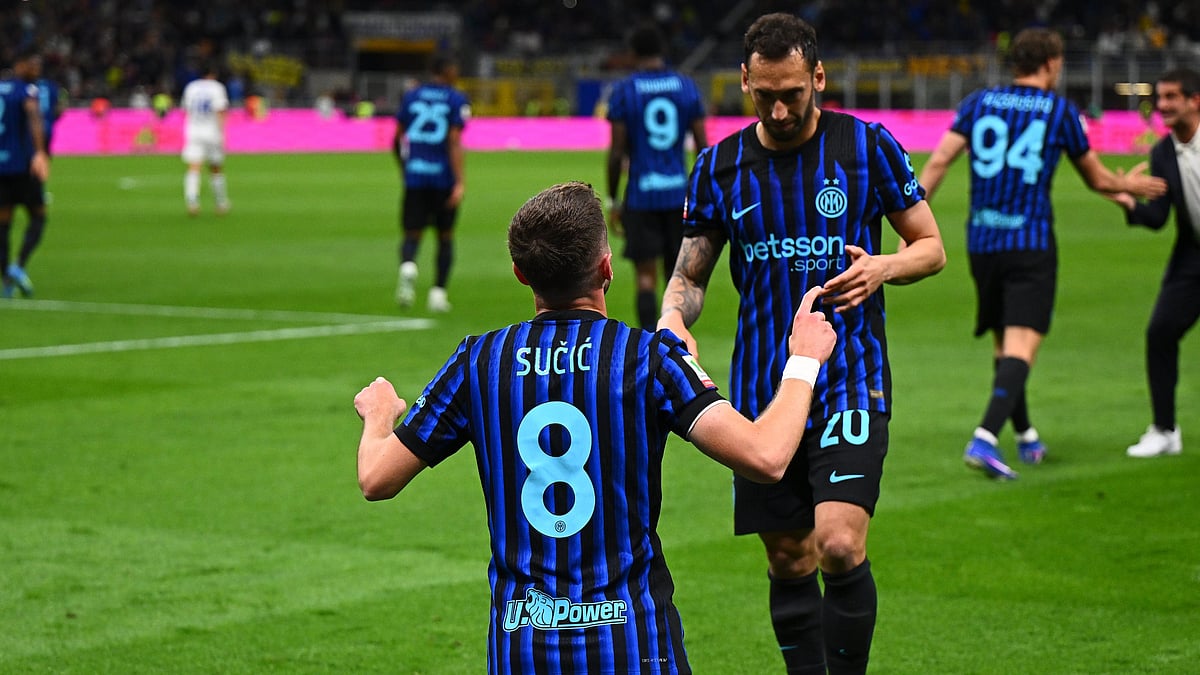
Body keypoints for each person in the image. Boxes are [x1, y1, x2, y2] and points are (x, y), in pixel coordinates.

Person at [353, 181, 837, 673]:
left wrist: (378, 415)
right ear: (607, 268)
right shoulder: (647, 358)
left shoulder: (478, 361)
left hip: (523, 649)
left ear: (521, 274)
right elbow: (767, 456)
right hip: (633, 644)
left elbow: (376, 478)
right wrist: (803, 360)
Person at [656, 14, 946, 674]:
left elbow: (930, 247)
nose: (781, 109)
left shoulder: (866, 147)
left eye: (793, 92)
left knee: (839, 543)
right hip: (766, 392)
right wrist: (674, 315)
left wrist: (883, 266)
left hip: (850, 377)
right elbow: (689, 276)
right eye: (765, 95)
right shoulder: (719, 168)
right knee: (789, 556)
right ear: (745, 83)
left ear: (819, 78)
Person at [918, 27, 1168, 479]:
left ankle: (1027, 433)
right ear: (1052, 63)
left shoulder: (978, 103)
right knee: (1023, 344)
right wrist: (1129, 185)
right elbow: (1096, 178)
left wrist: (911, 223)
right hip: (1030, 243)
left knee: (1003, 342)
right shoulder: (1059, 111)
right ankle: (986, 437)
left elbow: (936, 163)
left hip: (982, 241)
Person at [1105, 68, 1200, 458]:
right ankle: (1164, 430)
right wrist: (1131, 204)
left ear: (1195, 100)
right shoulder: (1162, 152)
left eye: (1171, 97)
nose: (1162, 106)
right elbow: (1159, 216)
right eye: (1160, 98)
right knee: (1160, 333)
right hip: (1193, 256)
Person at [605, 23, 708, 329]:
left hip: (641, 195)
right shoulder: (686, 86)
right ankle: (676, 347)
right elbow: (703, 146)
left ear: (634, 53)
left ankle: (649, 344)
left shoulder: (625, 91)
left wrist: (613, 198)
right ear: (662, 51)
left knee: (645, 277)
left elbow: (616, 152)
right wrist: (701, 192)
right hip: (680, 197)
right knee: (678, 278)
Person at [393, 56, 469, 313]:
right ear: (446, 69)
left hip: (415, 176)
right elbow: (454, 141)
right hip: (443, 178)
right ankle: (438, 293)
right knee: (445, 237)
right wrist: (459, 181)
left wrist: (405, 168)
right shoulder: (455, 98)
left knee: (411, 233)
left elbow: (396, 138)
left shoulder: (412, 96)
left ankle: (408, 265)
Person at [0, 49, 51, 299]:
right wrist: (40, 152)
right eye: (33, 64)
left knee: (3, 224)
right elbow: (33, 116)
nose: (37, 69)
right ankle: (18, 265)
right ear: (19, 64)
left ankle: (6, 278)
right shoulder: (27, 90)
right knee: (39, 216)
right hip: (22, 167)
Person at [180, 61, 231, 217]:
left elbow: (186, 110)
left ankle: (192, 202)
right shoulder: (217, 88)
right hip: (212, 132)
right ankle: (221, 203)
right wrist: (222, 133)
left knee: (194, 166)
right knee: (215, 167)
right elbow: (220, 110)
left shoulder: (191, 87)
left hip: (194, 131)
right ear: (213, 74)